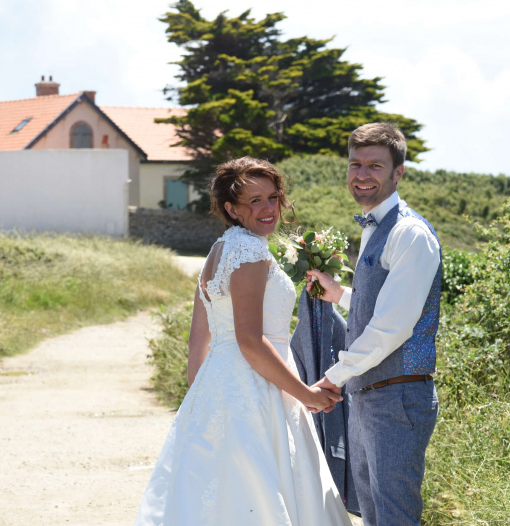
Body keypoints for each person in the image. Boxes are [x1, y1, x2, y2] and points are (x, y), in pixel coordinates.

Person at [135, 157, 352, 525]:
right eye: (254, 201)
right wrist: (305, 394)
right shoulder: (249, 252)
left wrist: (201, 406)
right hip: (259, 389)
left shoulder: (218, 252)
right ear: (231, 209)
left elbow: (197, 343)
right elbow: (249, 340)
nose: (268, 208)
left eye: (272, 197)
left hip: (221, 388)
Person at [308, 122, 441, 526]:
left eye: (375, 166)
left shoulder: (409, 233)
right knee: (371, 516)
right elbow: (382, 308)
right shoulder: (375, 226)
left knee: (394, 517)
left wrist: (333, 377)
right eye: (355, 164)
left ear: (398, 172)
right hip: (368, 395)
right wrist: (341, 295)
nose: (362, 175)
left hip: (397, 400)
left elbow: (392, 328)